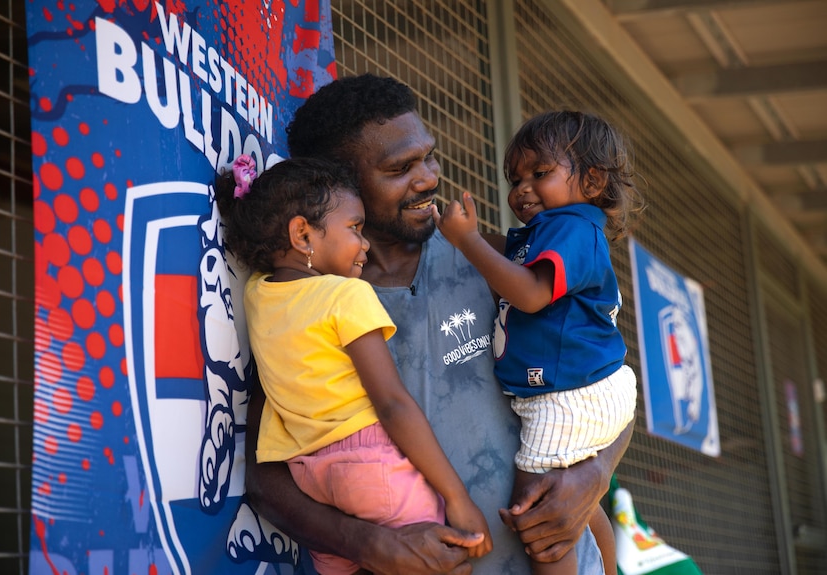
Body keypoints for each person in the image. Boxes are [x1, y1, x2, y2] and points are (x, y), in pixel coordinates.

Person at [244, 73, 634, 575]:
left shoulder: (494, 262)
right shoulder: (299, 304)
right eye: (400, 168)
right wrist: (365, 544)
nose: (428, 177)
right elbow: (263, 477)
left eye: (428, 156)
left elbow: (604, 386)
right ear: (343, 183)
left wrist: (594, 474)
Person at [216, 156, 491, 575]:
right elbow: (393, 404)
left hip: (308, 477)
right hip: (372, 467)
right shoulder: (347, 295)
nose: (365, 244)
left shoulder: (257, 294)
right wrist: (457, 498)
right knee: (449, 562)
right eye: (355, 228)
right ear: (302, 235)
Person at [432, 110, 645, 575]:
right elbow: (505, 258)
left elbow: (528, 294)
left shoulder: (572, 227)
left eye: (540, 173)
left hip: (566, 398)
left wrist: (466, 241)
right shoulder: (547, 232)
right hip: (588, 387)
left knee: (539, 513)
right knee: (582, 508)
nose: (521, 188)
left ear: (591, 181)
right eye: (515, 178)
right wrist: (449, 234)